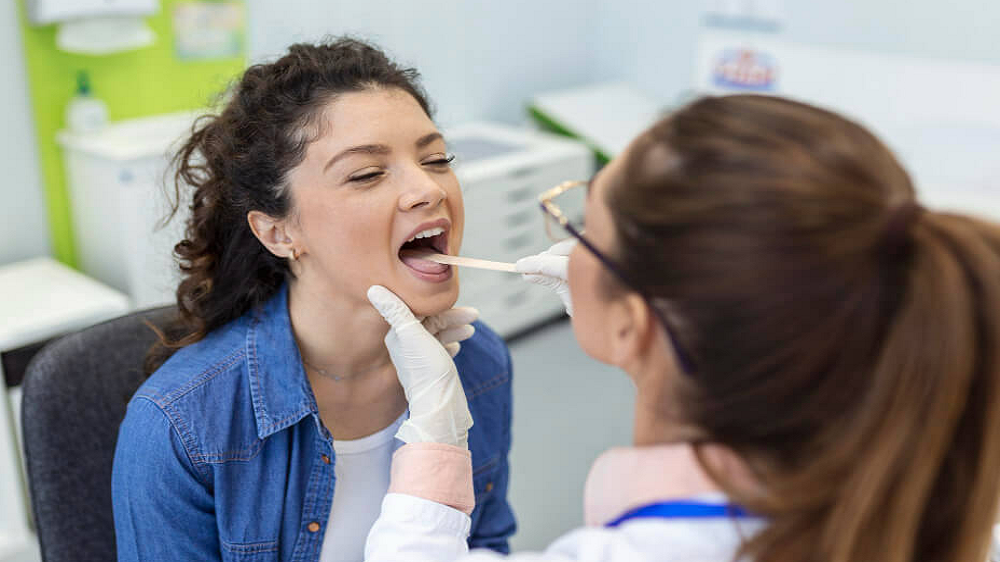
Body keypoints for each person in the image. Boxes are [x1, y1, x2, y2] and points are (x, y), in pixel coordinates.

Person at [360, 94, 1000, 562]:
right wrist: (646, 349)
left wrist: (434, 448)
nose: (426, 192)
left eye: (582, 230)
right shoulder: (941, 503)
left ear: (633, 321)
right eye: (365, 173)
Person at [111, 38, 516, 562]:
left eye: (436, 158)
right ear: (279, 233)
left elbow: (485, 544)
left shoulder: (478, 364)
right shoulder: (180, 427)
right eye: (367, 173)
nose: (429, 189)